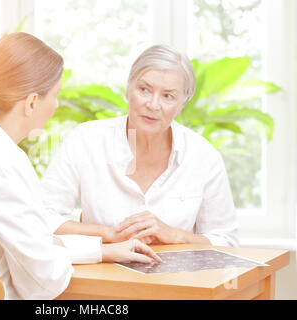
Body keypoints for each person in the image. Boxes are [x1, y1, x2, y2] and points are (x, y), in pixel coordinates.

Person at [0, 32, 160, 300]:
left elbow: (31, 247)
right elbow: (43, 282)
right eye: (54, 95)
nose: (55, 105)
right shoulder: (2, 163)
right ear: (31, 102)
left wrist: (100, 251)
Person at [40, 44, 239, 247]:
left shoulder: (203, 156)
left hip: (177, 278)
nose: (153, 105)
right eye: (144, 90)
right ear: (128, 90)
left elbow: (226, 240)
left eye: (167, 96)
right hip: (102, 275)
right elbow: (42, 218)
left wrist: (176, 235)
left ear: (182, 104)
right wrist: (110, 234)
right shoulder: (86, 140)